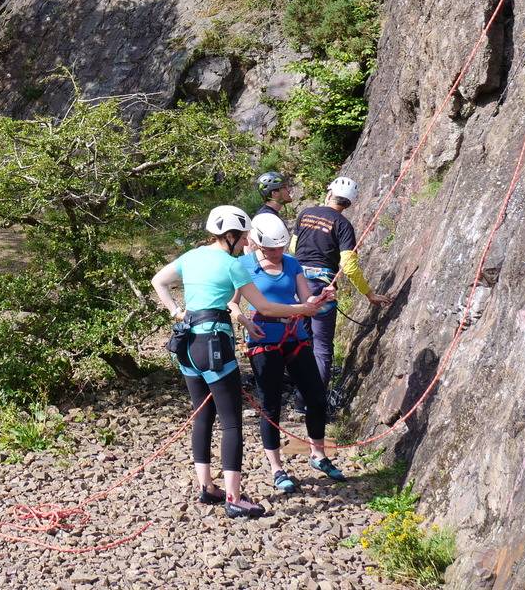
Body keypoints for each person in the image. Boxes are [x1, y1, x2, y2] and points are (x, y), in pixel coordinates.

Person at [151, 205, 334, 519]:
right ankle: (234, 497)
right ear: (232, 235)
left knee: (202, 416)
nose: (248, 240)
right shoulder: (233, 265)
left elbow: (159, 281)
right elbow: (265, 307)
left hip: (186, 344)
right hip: (214, 345)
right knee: (232, 422)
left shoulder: (192, 256)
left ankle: (207, 487)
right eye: (245, 235)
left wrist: (176, 312)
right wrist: (303, 310)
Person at [237, 212, 346, 491]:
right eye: (271, 249)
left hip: (295, 337)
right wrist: (245, 322)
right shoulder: (243, 266)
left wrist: (320, 297)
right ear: (258, 244)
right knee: (271, 404)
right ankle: (276, 468)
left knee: (317, 398)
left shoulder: (292, 263)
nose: (276, 253)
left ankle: (318, 454)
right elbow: (232, 303)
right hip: (264, 339)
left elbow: (304, 298)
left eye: (280, 248)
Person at [291, 176, 393, 390]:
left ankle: (301, 399)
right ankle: (314, 404)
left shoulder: (305, 214)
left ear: (329, 194)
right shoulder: (343, 225)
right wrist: (369, 294)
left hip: (297, 283)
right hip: (322, 287)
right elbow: (349, 265)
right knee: (321, 348)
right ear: (349, 204)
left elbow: (293, 248)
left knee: (301, 342)